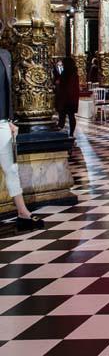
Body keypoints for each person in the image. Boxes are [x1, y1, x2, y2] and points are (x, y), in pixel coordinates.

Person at [0, 46, 45, 231]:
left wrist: (10, 120)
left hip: (2, 122)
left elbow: (7, 90)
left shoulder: (4, 55)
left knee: (11, 169)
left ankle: (22, 213)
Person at [55, 57, 80, 137]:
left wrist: (58, 84)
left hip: (66, 98)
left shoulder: (66, 73)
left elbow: (65, 86)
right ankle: (71, 133)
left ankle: (60, 133)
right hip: (72, 98)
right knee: (71, 116)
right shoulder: (74, 73)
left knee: (62, 116)